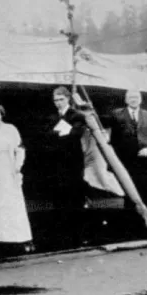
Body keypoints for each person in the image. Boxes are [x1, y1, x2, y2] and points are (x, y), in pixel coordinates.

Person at [0, 102, 33, 252]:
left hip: (8, 170)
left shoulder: (11, 129)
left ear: (1, 115)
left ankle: (16, 237)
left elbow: (20, 149)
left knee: (10, 201)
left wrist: (17, 167)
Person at [38, 86, 88, 245]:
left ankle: (77, 235)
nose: (58, 103)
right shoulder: (51, 117)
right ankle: (61, 235)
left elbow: (75, 133)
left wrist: (56, 134)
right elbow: (45, 135)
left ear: (68, 99)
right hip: (57, 164)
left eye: (61, 99)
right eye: (56, 100)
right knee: (58, 198)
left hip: (72, 163)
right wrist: (60, 134)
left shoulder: (77, 115)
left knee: (75, 198)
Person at [103, 89, 147, 208]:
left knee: (144, 195)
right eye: (131, 97)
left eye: (136, 97)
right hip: (125, 164)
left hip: (144, 164)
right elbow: (101, 124)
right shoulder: (116, 114)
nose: (133, 99)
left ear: (140, 100)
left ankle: (146, 223)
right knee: (128, 197)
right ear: (126, 100)